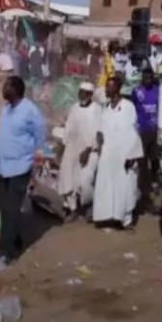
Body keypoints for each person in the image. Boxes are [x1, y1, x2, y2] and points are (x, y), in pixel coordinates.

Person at [0, 76, 46, 268]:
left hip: (19, 166)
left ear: (17, 90)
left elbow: (40, 133)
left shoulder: (30, 110)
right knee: (5, 210)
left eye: (7, 86)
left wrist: (38, 155)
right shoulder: (5, 109)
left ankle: (4, 253)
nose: (4, 89)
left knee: (12, 209)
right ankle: (15, 242)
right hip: (2, 166)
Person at [92, 76, 143, 229]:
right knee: (107, 186)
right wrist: (99, 139)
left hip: (124, 155)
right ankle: (108, 216)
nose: (106, 89)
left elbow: (133, 131)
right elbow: (101, 129)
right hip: (108, 154)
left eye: (109, 87)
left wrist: (132, 155)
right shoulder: (106, 109)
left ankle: (125, 220)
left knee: (125, 187)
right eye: (106, 86)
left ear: (117, 88)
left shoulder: (128, 107)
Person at [58, 82, 101, 221]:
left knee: (84, 181)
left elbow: (98, 132)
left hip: (90, 151)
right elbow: (68, 129)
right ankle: (72, 207)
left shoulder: (96, 109)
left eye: (85, 93)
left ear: (90, 95)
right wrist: (62, 148)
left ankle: (88, 205)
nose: (81, 95)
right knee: (67, 178)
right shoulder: (74, 108)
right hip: (72, 148)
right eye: (80, 92)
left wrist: (88, 150)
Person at [131, 66, 161, 212]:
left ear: (153, 78)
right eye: (145, 77)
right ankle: (143, 191)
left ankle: (155, 183)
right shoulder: (136, 92)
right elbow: (133, 109)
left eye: (149, 77)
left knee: (155, 160)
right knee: (142, 162)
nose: (147, 80)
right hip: (142, 131)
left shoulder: (159, 91)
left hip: (156, 131)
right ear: (142, 78)